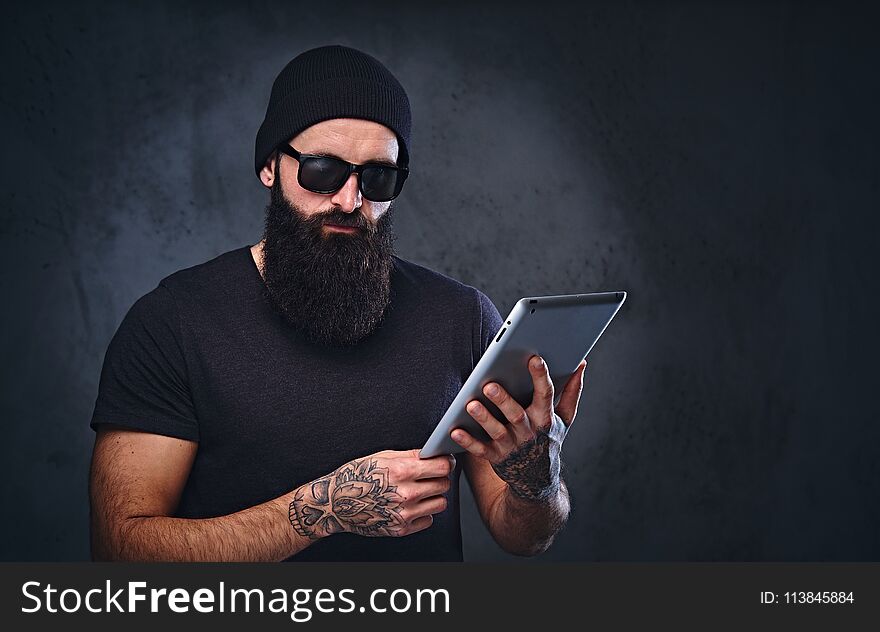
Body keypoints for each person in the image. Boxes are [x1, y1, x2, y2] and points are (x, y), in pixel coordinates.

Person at [88, 44, 588, 562]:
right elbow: (120, 551)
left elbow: (522, 536)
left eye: (377, 178)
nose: (350, 201)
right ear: (269, 167)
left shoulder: (462, 317)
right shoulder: (172, 323)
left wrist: (538, 480)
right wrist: (327, 508)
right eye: (323, 170)